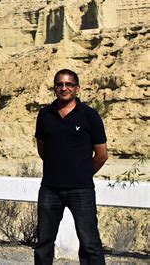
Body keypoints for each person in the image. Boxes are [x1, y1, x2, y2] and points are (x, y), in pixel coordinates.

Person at [34, 69, 108, 264]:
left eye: (69, 84)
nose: (64, 88)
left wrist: (81, 173)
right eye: (60, 84)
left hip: (81, 190)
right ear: (54, 87)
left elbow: (101, 154)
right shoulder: (44, 115)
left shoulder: (89, 115)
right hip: (50, 189)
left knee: (90, 243)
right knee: (43, 243)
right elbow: (42, 149)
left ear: (77, 88)